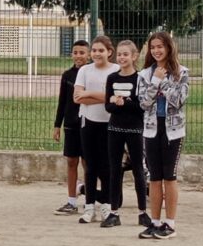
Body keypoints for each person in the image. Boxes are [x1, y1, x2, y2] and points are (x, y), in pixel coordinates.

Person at [137, 31, 190, 239]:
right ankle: (155, 222)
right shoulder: (144, 75)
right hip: (151, 129)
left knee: (169, 176)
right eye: (153, 47)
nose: (156, 51)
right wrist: (154, 81)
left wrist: (163, 82)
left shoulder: (181, 73)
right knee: (154, 177)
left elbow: (178, 100)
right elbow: (143, 103)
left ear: (168, 47)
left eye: (160, 46)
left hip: (173, 131)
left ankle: (170, 223)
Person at [102, 40, 150, 229]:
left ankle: (142, 212)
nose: (122, 58)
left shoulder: (140, 79)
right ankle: (114, 213)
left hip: (135, 129)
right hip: (115, 128)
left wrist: (125, 103)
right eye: (119, 54)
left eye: (125, 54)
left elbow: (142, 106)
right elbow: (108, 106)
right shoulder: (112, 78)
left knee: (138, 169)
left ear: (134, 56)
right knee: (114, 169)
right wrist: (116, 104)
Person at [73, 35, 119, 224]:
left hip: (109, 123)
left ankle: (106, 206)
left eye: (101, 50)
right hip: (88, 122)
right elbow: (77, 97)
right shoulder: (84, 70)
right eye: (94, 50)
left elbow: (116, 97)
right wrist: (105, 97)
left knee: (106, 166)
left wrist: (90, 94)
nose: (97, 54)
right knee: (90, 166)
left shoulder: (116, 70)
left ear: (109, 52)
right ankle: (89, 206)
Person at [53, 39, 90, 214]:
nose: (78, 56)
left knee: (87, 162)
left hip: (88, 123)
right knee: (71, 161)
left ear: (88, 55)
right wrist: (57, 125)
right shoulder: (67, 75)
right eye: (75, 53)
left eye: (82, 53)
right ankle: (71, 201)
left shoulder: (92, 74)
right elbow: (62, 102)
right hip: (70, 124)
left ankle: (90, 201)